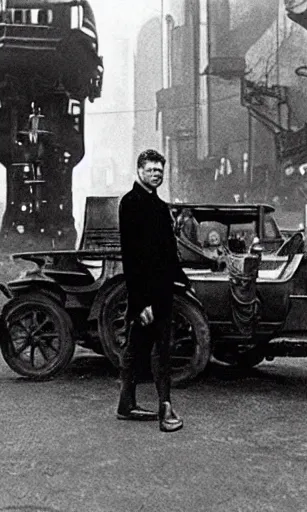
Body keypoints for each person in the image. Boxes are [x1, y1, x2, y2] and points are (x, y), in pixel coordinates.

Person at [117, 149, 189, 433]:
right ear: (139, 171)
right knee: (160, 350)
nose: (156, 174)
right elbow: (132, 257)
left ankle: (126, 404)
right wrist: (141, 302)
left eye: (160, 170)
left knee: (139, 348)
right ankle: (166, 408)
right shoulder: (131, 203)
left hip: (162, 291)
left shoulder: (159, 207)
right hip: (147, 295)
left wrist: (181, 279)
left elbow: (168, 252)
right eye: (151, 170)